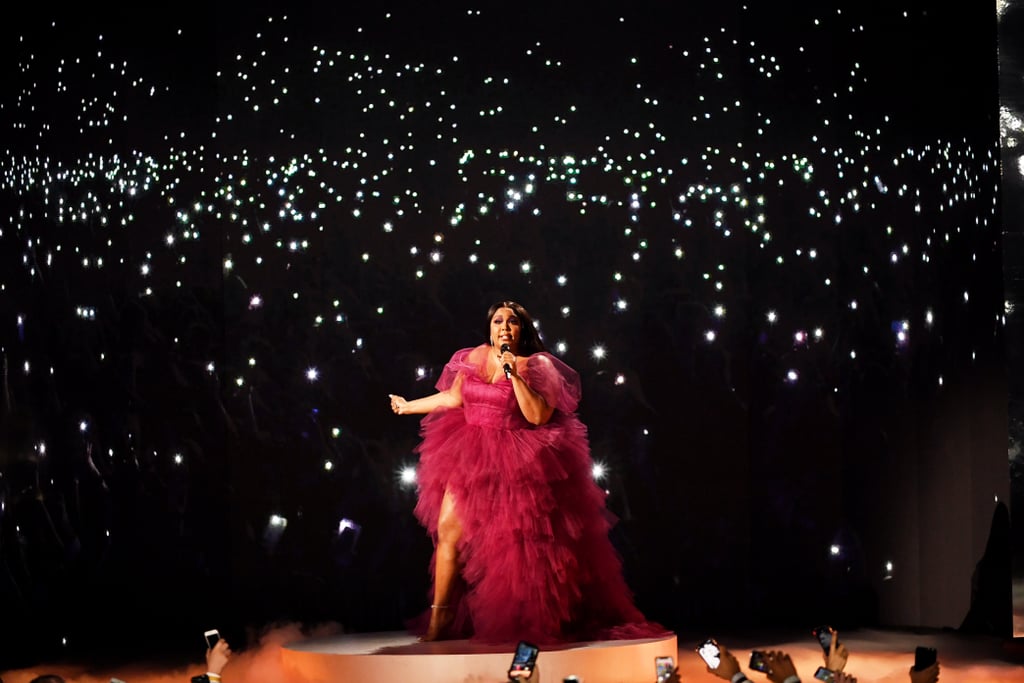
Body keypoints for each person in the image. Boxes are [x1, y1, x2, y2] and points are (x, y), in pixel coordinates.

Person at [389, 300, 664, 644]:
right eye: (498, 321)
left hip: (516, 459)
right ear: (490, 328)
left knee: (514, 547)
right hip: (470, 455)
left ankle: (523, 621)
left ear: (523, 330)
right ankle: (440, 618)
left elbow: (537, 416)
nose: (504, 327)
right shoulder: (474, 356)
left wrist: (513, 374)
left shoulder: (539, 365)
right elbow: (452, 397)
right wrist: (408, 406)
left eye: (512, 322)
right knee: (448, 531)